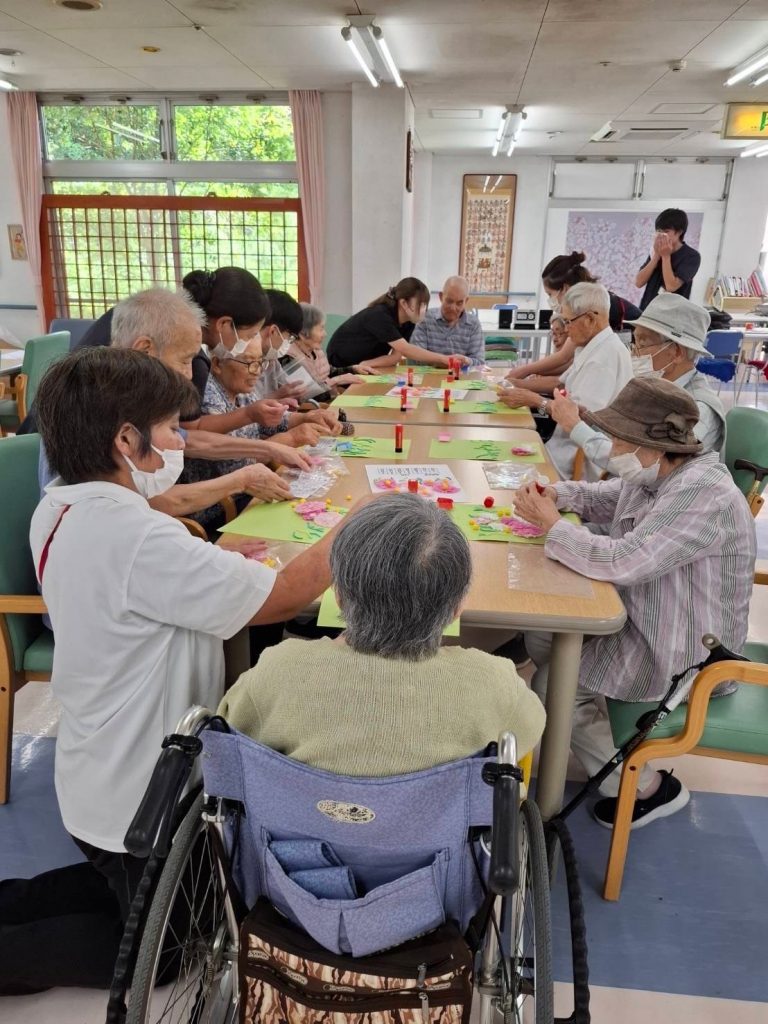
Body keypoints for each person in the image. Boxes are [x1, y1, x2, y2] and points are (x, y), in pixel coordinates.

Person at [0, 346, 366, 995]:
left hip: (96, 771)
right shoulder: (138, 537)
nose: (179, 442)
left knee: (123, 888)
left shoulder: (62, 503)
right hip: (138, 792)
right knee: (168, 952)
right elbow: (282, 596)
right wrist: (358, 522)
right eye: (171, 428)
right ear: (125, 440)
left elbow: (148, 557)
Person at [511, 378, 756, 829]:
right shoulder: (660, 473)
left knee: (553, 685)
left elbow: (624, 561)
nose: (614, 448)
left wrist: (554, 527)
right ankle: (596, 732)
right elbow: (606, 497)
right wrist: (557, 496)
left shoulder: (703, 493)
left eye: (622, 440)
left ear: (653, 445)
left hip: (690, 649)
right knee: (544, 636)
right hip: (652, 615)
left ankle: (646, 788)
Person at [220, 493, 546, 776]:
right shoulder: (494, 683)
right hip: (438, 829)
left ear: (338, 596)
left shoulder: (278, 669)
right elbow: (529, 730)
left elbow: (231, 730)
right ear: (457, 608)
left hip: (299, 825)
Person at [549, 292, 726, 466]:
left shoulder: (698, 410)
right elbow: (626, 438)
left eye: (642, 343)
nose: (634, 354)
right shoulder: (655, 391)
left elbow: (642, 466)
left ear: (677, 352)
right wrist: (591, 420)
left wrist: (576, 427)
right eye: (635, 343)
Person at [500, 283, 633, 479]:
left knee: (505, 464)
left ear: (590, 319)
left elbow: (577, 417)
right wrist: (518, 385)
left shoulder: (604, 359)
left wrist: (535, 400)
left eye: (569, 322)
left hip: (576, 461)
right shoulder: (593, 346)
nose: (567, 330)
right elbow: (560, 383)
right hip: (562, 446)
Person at [326, 278, 472, 371]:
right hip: (340, 365)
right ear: (404, 303)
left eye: (425, 304)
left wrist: (366, 364)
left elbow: (395, 357)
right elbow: (406, 349)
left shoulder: (409, 322)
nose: (424, 309)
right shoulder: (380, 315)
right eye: (421, 304)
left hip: (360, 365)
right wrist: (444, 358)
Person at [541, 251, 641, 333]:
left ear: (565, 288)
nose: (550, 299)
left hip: (640, 340)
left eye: (550, 294)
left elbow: (568, 349)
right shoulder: (583, 301)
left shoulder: (588, 306)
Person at [287, 303, 368, 402]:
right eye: (321, 329)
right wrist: (336, 381)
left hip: (329, 401)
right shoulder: (288, 357)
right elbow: (308, 395)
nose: (325, 334)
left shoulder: (315, 350)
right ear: (303, 333)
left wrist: (354, 369)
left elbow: (329, 372)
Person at [409, 275, 485, 364]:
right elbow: (415, 358)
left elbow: (479, 362)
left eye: (459, 303)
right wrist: (442, 360)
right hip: (429, 373)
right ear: (441, 297)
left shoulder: (473, 324)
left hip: (460, 372)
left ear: (466, 301)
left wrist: (466, 361)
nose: (453, 308)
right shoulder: (425, 319)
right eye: (449, 301)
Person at [635, 208, 701, 310]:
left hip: (672, 313)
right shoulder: (657, 250)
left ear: (679, 232)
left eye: (666, 231)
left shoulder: (691, 256)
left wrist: (666, 256)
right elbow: (638, 282)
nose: (661, 235)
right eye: (658, 231)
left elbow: (671, 286)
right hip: (647, 310)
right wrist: (656, 257)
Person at [503, 314, 573, 395]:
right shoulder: (562, 362)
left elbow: (559, 382)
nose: (555, 339)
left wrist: (519, 381)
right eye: (553, 333)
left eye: (559, 333)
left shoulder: (572, 359)